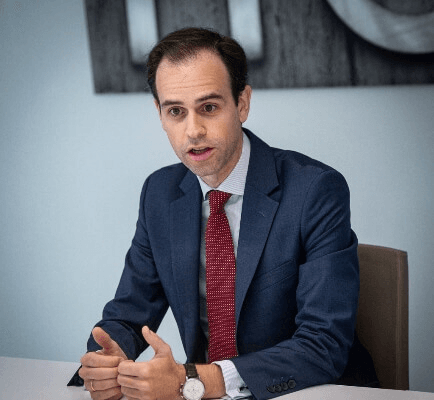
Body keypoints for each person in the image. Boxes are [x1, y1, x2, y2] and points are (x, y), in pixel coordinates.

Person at [77, 27, 377, 400]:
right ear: (159, 114)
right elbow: (128, 313)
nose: (193, 131)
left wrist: (195, 380)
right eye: (175, 111)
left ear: (243, 103)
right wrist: (106, 360)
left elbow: (323, 344)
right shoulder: (159, 193)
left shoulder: (315, 191)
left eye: (209, 107)